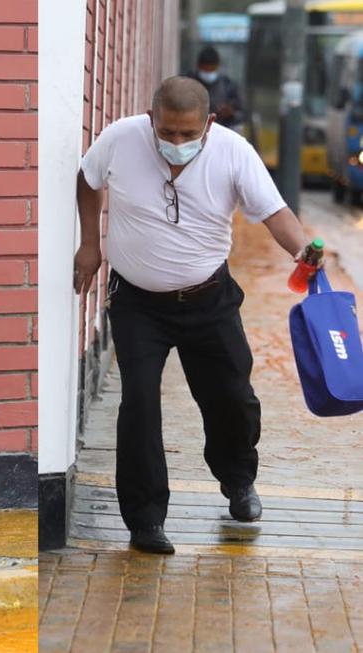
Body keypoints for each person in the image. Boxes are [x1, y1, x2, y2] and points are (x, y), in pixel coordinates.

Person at [73, 76, 312, 554]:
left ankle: (238, 482)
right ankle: (145, 522)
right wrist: (89, 244)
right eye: (167, 132)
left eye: (187, 134)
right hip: (138, 301)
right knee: (138, 404)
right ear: (151, 118)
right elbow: (87, 179)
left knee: (231, 396)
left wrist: (304, 251)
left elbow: (274, 212)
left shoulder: (233, 152)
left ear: (209, 123)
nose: (176, 143)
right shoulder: (121, 138)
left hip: (209, 298)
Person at [186, 45, 244, 131]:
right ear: (198, 66)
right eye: (205, 69)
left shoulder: (228, 85)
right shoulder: (187, 83)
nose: (208, 73)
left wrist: (231, 113)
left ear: (217, 66)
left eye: (211, 69)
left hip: (221, 129)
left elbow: (241, 114)